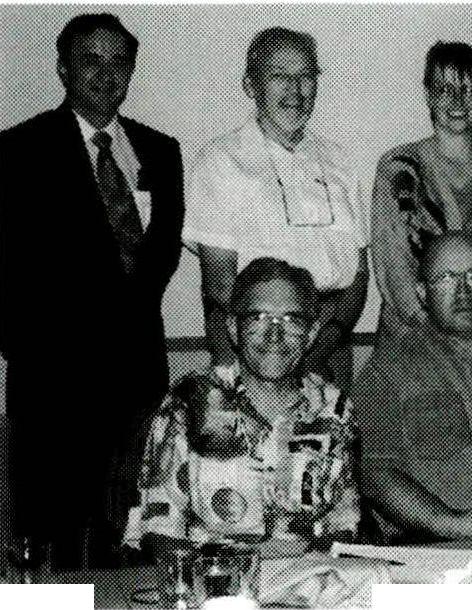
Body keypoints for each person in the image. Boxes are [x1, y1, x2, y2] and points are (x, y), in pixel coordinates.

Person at [0, 13, 184, 567]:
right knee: (49, 546)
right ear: (63, 68)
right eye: (91, 60)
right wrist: (29, 346)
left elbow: (162, 255)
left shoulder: (160, 151)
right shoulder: (17, 150)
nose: (107, 74)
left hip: (138, 379)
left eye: (119, 62)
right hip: (53, 385)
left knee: (133, 539)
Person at [124, 257, 359, 554]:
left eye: (291, 320)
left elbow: (343, 525)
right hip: (211, 574)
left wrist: (307, 567)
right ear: (233, 328)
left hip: (307, 574)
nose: (274, 336)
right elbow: (159, 531)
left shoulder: (333, 408)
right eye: (258, 317)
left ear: (311, 334)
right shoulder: (191, 399)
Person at [183, 27, 369, 392]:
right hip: (257, 348)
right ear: (250, 85)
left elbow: (358, 274)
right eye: (279, 76)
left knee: (328, 430)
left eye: (306, 77)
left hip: (331, 346)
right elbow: (219, 285)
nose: (295, 91)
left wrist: (320, 348)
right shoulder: (221, 160)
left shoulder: (339, 160)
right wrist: (261, 357)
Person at [353, 233, 472, 543]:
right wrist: (454, 526)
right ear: (422, 293)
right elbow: (375, 475)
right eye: (446, 279)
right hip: (436, 550)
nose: (464, 291)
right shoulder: (387, 370)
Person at [372, 41, 472, 346]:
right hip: (413, 336)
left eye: (467, 88)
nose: (457, 99)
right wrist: (432, 336)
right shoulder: (400, 167)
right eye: (445, 89)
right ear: (428, 95)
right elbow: (393, 265)